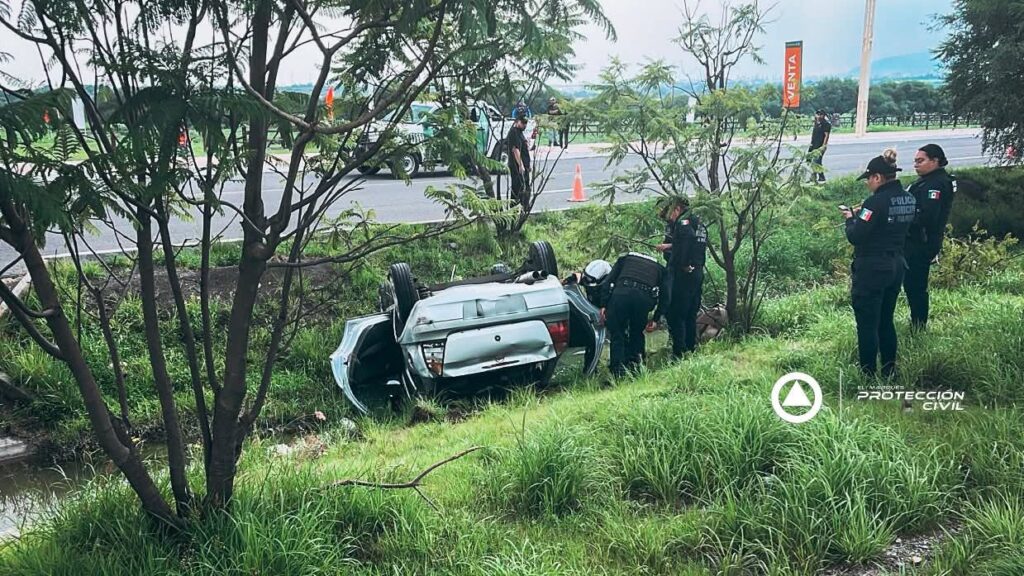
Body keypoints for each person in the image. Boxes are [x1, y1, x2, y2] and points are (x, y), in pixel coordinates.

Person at [843, 149, 916, 377]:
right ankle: (889, 371)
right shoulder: (908, 198)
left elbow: (856, 236)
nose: (868, 184)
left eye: (868, 179)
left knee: (867, 324)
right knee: (886, 321)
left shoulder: (874, 203)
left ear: (877, 177)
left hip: (872, 269)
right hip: (896, 266)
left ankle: (867, 375)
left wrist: (850, 220)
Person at [903, 144, 956, 331]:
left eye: (921, 160)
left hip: (921, 241)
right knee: (910, 284)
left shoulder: (937, 183)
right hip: (914, 240)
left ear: (935, 161)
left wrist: (902, 219)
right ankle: (916, 321)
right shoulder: (925, 180)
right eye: (915, 161)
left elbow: (927, 217)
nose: (916, 165)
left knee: (916, 285)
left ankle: (919, 325)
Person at [600, 252, 669, 377]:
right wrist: (656, 318)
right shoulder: (660, 269)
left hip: (620, 295)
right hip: (643, 299)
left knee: (617, 334)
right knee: (637, 333)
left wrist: (604, 304)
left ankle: (617, 372)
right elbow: (666, 296)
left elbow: (607, 282)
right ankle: (637, 367)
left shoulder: (624, 259)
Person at [656, 196, 707, 359]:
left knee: (677, 313)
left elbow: (687, 239)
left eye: (668, 214)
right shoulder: (697, 222)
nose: (667, 218)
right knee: (690, 313)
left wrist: (683, 263)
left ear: (676, 209)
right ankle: (690, 349)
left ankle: (679, 352)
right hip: (697, 271)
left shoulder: (683, 224)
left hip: (683, 274)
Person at [506, 116, 531, 205]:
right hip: (517, 166)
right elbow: (515, 149)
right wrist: (521, 165)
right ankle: (515, 208)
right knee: (518, 189)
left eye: (526, 123)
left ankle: (524, 207)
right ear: (517, 121)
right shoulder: (513, 132)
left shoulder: (520, 132)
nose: (524, 125)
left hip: (524, 164)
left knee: (526, 188)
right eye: (523, 123)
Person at [808, 109, 832, 184]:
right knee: (816, 162)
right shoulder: (816, 123)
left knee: (816, 161)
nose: (819, 116)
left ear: (824, 115)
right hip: (813, 144)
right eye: (817, 114)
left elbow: (826, 136)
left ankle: (815, 177)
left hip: (820, 145)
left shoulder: (826, 124)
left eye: (820, 114)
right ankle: (820, 177)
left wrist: (823, 146)